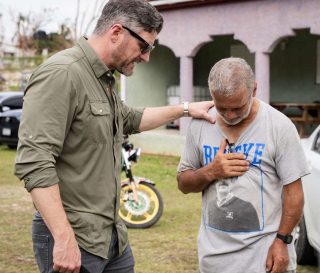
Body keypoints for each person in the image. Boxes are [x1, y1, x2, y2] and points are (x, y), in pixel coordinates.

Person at [14, 1, 214, 273]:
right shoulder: (63, 73)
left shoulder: (103, 78)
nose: (146, 57)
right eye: (145, 47)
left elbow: (128, 118)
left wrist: (188, 109)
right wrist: (63, 238)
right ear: (117, 32)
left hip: (111, 237)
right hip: (74, 237)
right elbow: (35, 161)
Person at [177, 57, 309, 273]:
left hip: (264, 259)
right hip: (214, 260)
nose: (229, 116)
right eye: (222, 108)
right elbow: (183, 184)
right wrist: (211, 171)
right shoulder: (200, 124)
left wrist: (282, 240)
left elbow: (294, 194)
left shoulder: (279, 126)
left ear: (254, 90)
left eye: (237, 108)